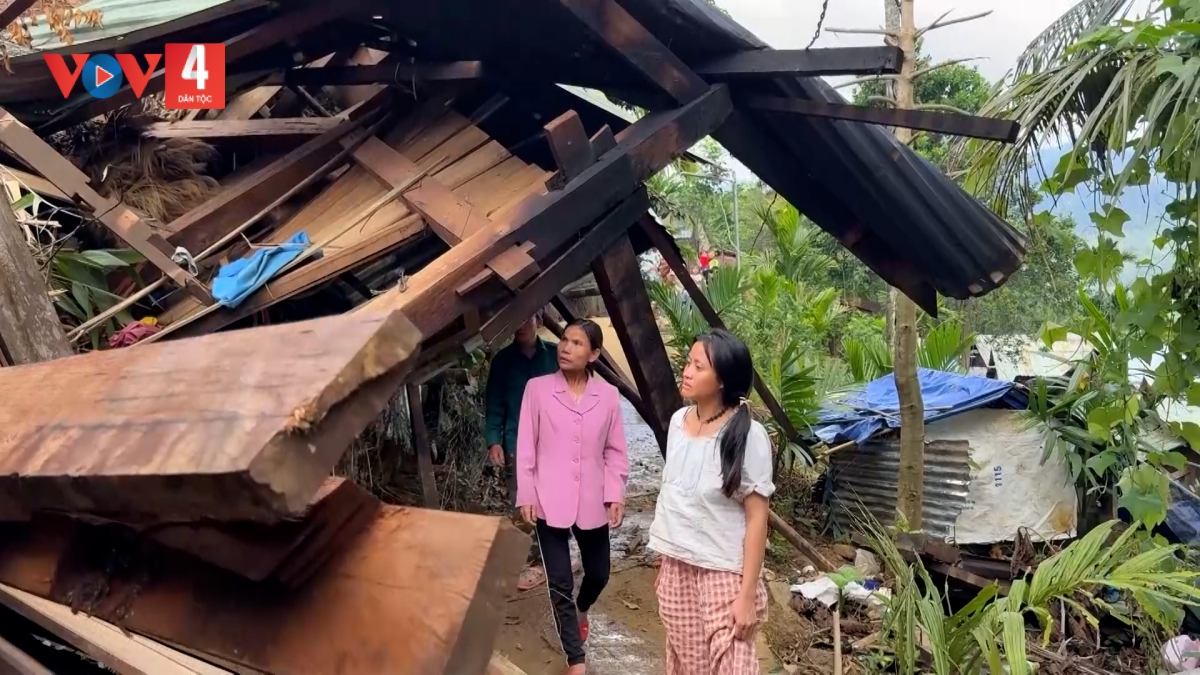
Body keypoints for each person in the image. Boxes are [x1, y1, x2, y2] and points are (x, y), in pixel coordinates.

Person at [648, 328, 774, 674]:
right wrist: (665, 556)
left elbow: (757, 520)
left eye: (698, 366)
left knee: (734, 664)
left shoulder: (748, 435)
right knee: (690, 666)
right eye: (688, 363)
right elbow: (674, 496)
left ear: (722, 381)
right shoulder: (678, 422)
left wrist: (746, 596)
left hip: (723, 573)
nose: (687, 372)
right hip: (677, 568)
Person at [515, 319, 629, 675]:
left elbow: (615, 451)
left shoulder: (607, 396)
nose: (565, 348)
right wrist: (526, 492)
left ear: (594, 354)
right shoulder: (537, 390)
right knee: (560, 580)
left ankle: (583, 607)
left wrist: (615, 493)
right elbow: (526, 446)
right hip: (548, 499)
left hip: (593, 500)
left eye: (577, 343)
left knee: (598, 574)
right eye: (564, 340)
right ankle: (575, 658)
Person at [484, 313, 558, 588]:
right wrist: (494, 441)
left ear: (538, 320)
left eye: (526, 319)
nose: (520, 326)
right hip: (517, 443)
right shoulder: (503, 362)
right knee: (522, 501)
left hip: (554, 445)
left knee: (554, 500)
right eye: (515, 321)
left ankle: (549, 558)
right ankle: (528, 562)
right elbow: (495, 404)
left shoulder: (555, 356)